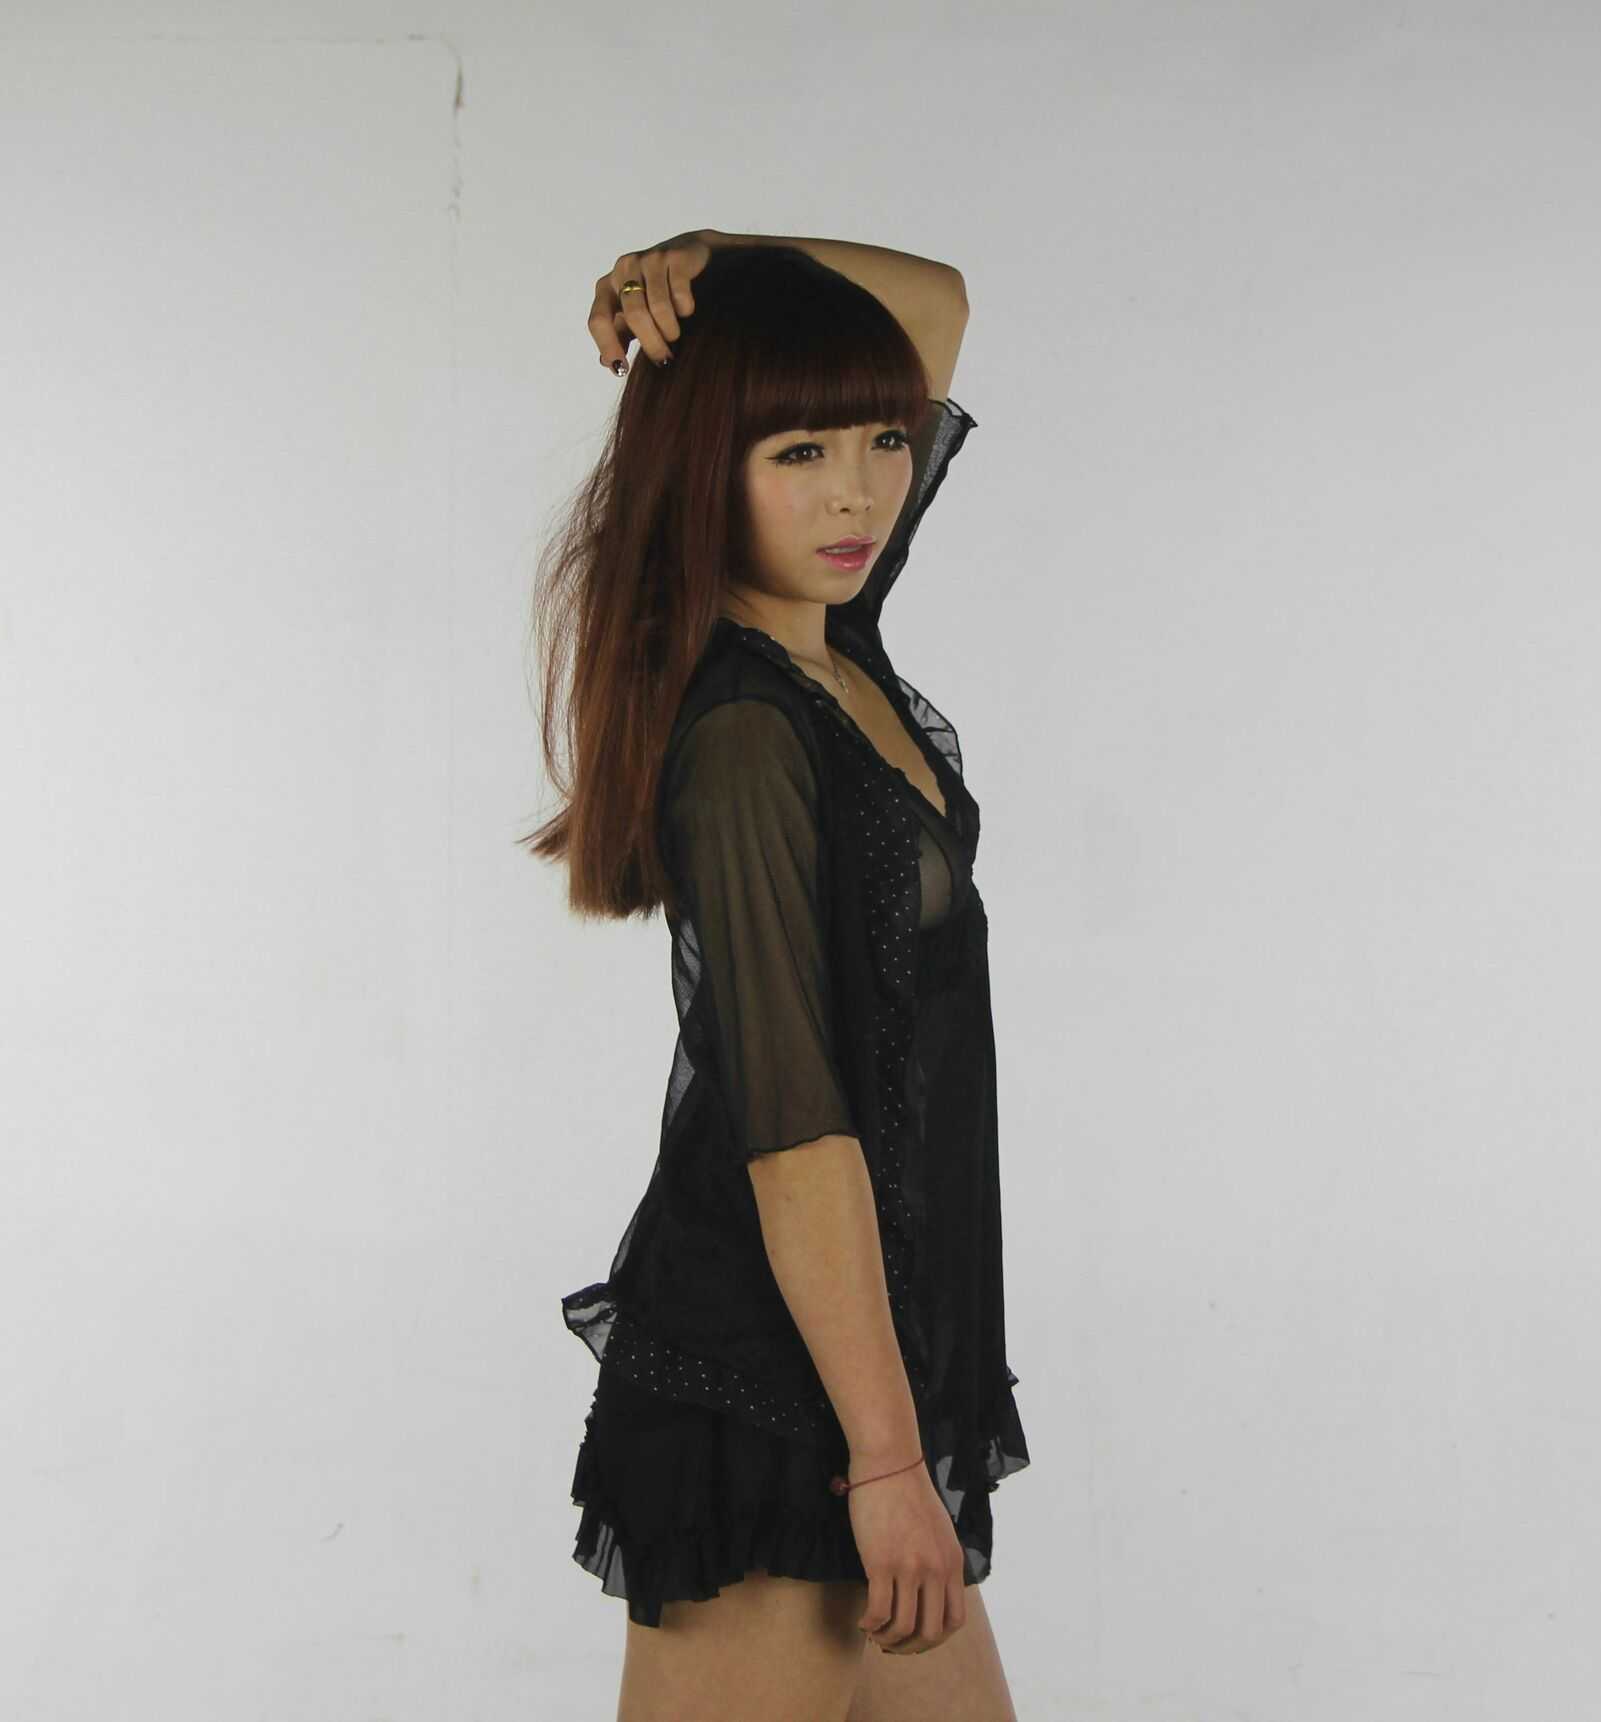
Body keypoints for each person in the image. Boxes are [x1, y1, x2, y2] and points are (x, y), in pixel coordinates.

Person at [522, 230, 1026, 1722]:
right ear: (705, 470)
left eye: (882, 439)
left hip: (873, 1358)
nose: (859, 492)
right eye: (798, 452)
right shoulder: (748, 733)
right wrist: (885, 1459)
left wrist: (708, 257)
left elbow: (937, 301)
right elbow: (794, 1131)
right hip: (775, 1391)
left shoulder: (833, 639)